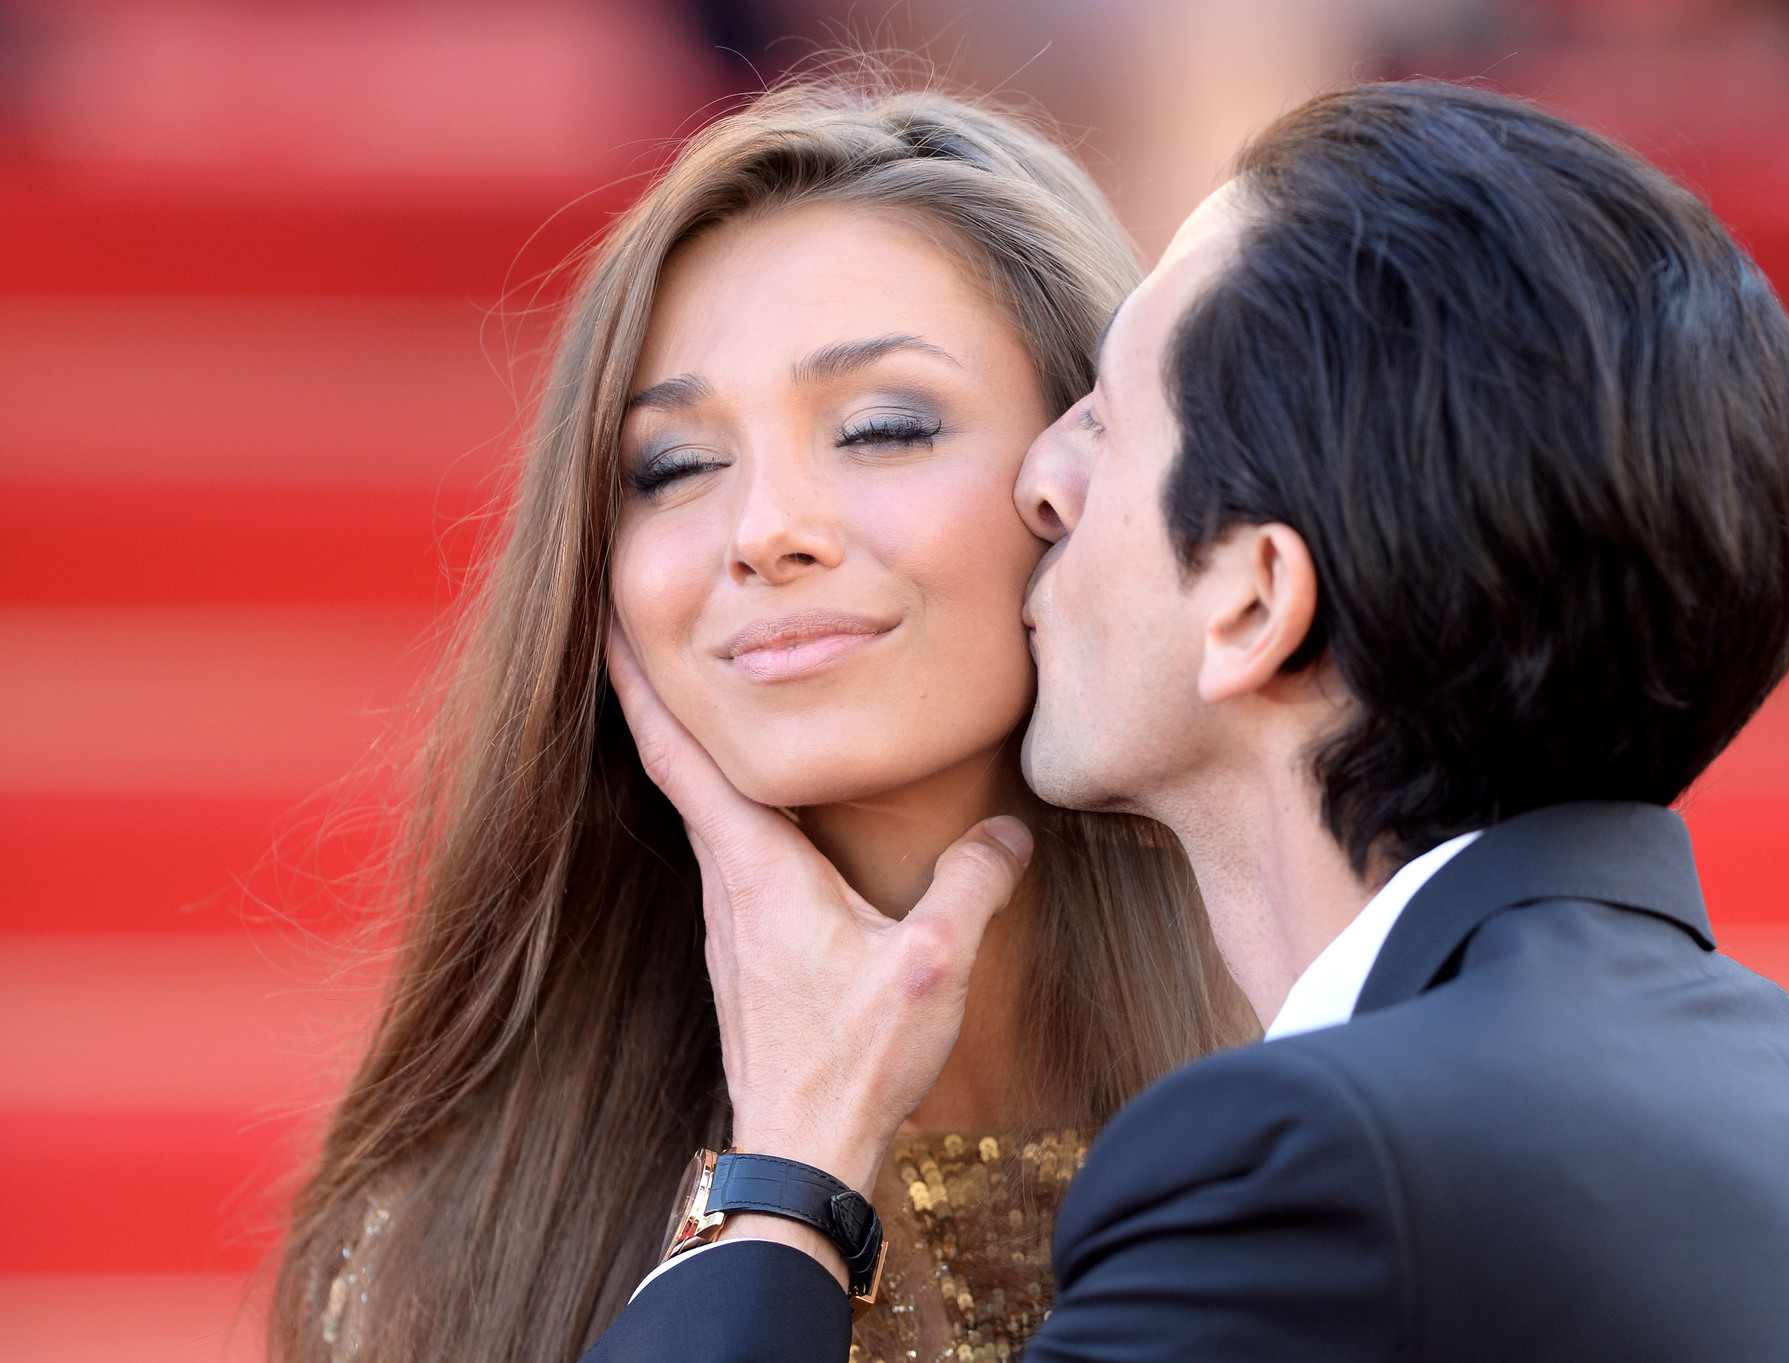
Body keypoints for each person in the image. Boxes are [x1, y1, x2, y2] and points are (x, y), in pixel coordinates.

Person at [591, 81, 1789, 1360]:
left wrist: (787, 1160)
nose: (1044, 486)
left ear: (1253, 602)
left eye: (1105, 418)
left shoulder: (1316, 1165)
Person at [269, 78, 1253, 1363]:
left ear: (1083, 476)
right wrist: (790, 1163)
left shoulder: (1346, 1112)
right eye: (673, 465)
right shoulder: (448, 1239)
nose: (763, 530)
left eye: (883, 428)